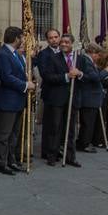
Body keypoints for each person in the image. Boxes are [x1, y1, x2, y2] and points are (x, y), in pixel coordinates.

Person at [0, 26, 30, 175]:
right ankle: (1, 162)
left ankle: (11, 160)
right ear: (16, 38)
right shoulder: (2, 54)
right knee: (4, 134)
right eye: (22, 37)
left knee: (14, 134)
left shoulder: (16, 54)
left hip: (18, 100)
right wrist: (25, 85)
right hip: (7, 101)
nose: (23, 40)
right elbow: (6, 77)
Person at [39, 34, 81, 164]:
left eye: (67, 42)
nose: (63, 44)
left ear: (72, 44)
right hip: (57, 98)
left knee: (70, 129)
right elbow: (48, 76)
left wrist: (79, 74)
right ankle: (52, 156)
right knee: (55, 128)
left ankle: (70, 157)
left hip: (72, 98)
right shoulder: (53, 58)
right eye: (62, 42)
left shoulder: (78, 59)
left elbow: (88, 75)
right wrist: (66, 76)